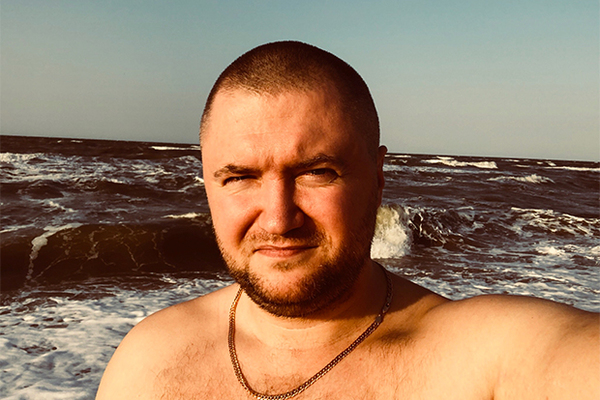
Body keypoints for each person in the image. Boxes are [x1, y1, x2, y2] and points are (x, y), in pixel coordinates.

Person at [96, 41, 599, 399]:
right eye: (241, 177)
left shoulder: (480, 360)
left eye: (317, 173)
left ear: (378, 177)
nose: (279, 218)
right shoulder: (150, 363)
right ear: (208, 184)